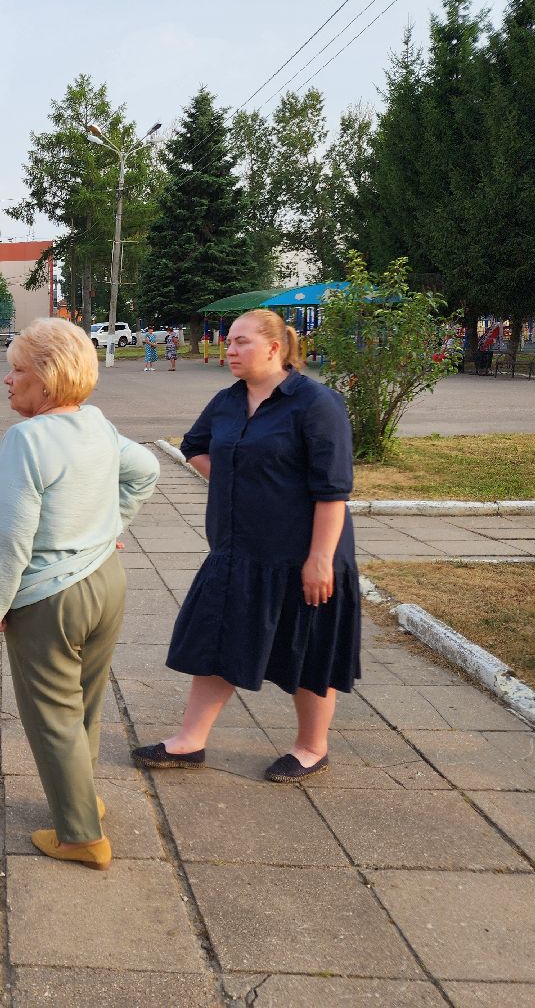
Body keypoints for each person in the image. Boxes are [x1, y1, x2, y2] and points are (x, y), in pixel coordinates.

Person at [131, 308, 361, 783]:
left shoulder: (315, 403)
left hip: (302, 553)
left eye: (241, 342)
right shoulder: (227, 401)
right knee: (218, 639)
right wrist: (237, 484)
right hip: (237, 548)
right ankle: (189, 741)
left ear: (275, 348)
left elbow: (332, 489)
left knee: (306, 648)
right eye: (228, 341)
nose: (230, 350)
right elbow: (194, 446)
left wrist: (320, 560)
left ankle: (311, 747)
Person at [0, 319, 159, 871]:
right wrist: (108, 528)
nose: (7, 380)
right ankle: (84, 799)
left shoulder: (27, 440)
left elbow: (10, 536)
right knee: (84, 703)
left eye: (17, 370)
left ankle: (81, 837)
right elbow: (145, 470)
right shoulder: (96, 423)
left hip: (49, 598)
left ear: (48, 379)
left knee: (52, 712)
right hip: (105, 583)